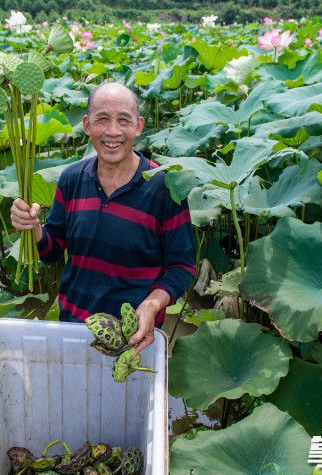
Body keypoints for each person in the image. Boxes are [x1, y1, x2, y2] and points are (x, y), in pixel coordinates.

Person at [10, 81, 196, 353]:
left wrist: (152, 303)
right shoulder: (71, 179)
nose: (113, 131)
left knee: (132, 396)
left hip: (135, 334)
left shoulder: (165, 186)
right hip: (74, 326)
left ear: (139, 126)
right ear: (86, 125)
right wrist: (34, 228)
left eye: (124, 120)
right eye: (102, 119)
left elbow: (182, 266)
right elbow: (52, 252)